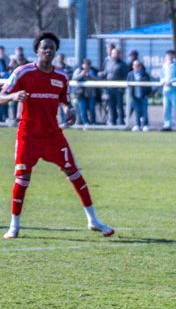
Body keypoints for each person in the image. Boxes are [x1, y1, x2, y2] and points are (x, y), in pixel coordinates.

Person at [0, 33, 115, 239]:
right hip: (29, 136)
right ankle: (14, 226)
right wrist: (13, 96)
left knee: (74, 173)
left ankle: (93, 220)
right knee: (22, 179)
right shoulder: (22, 72)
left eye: (52, 48)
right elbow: (1, 96)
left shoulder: (61, 76)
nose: (48, 51)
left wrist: (68, 111)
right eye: (44, 47)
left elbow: (65, 100)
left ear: (55, 52)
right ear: (37, 50)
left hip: (53, 135)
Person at [101, 48, 130, 126]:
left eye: (117, 53)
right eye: (114, 53)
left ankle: (121, 122)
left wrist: (122, 87)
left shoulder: (123, 64)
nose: (115, 55)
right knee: (111, 106)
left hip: (119, 89)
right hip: (109, 89)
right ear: (111, 54)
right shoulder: (108, 62)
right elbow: (105, 73)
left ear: (119, 54)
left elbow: (126, 76)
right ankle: (112, 121)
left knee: (120, 106)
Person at [160, 50, 176, 131]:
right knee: (166, 108)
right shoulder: (164, 65)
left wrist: (172, 81)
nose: (169, 57)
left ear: (173, 56)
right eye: (168, 55)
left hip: (175, 90)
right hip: (166, 90)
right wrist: (163, 80)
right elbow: (161, 76)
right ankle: (167, 125)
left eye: (171, 55)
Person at [127, 59, 152, 131]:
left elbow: (149, 85)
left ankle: (145, 125)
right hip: (134, 96)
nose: (137, 67)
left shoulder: (145, 74)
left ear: (140, 66)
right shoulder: (130, 74)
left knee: (144, 110)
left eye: (138, 65)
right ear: (133, 66)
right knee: (137, 110)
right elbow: (128, 85)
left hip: (143, 96)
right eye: (135, 65)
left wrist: (149, 94)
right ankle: (137, 125)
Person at [72, 59, 99, 126]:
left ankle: (93, 123)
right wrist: (82, 74)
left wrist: (89, 76)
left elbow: (97, 79)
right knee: (82, 109)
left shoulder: (92, 71)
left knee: (91, 109)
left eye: (88, 64)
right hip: (80, 94)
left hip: (91, 93)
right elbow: (74, 78)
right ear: (82, 64)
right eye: (85, 64)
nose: (87, 66)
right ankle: (85, 123)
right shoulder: (78, 70)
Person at [0, 46, 8, 124]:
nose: (2, 53)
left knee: (4, 101)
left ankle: (3, 118)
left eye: (2, 51)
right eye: (0, 52)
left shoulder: (4, 60)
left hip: (4, 85)